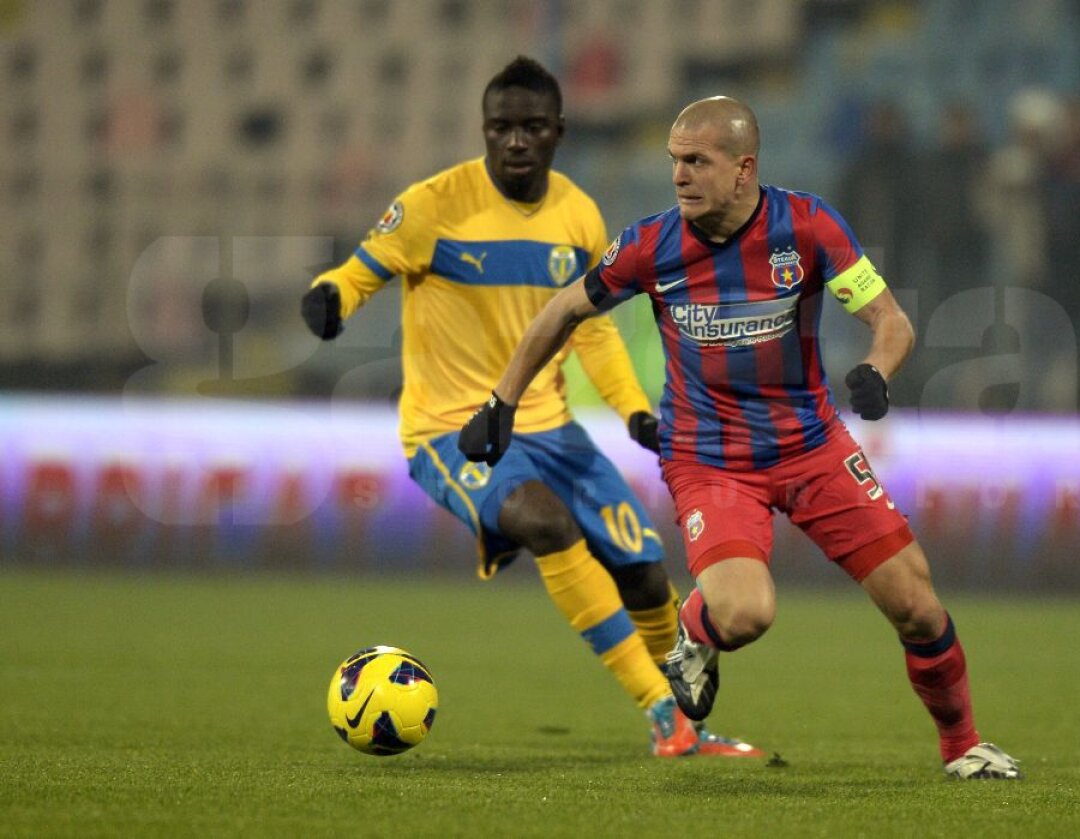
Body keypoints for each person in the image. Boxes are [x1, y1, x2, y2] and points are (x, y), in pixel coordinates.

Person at [459, 95, 1021, 780]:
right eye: (674, 161)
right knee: (748, 612)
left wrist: (877, 368)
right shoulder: (650, 244)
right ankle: (695, 634)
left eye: (697, 161)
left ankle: (962, 746)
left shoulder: (808, 225)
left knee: (918, 606)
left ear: (743, 168)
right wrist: (502, 400)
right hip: (711, 462)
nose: (680, 176)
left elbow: (891, 320)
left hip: (814, 448)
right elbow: (564, 309)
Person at [301, 58, 760, 759]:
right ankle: (660, 712)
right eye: (501, 127)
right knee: (545, 521)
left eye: (531, 127)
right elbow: (360, 271)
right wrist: (331, 299)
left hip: (552, 428)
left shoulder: (576, 214)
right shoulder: (433, 204)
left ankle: (686, 714)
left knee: (642, 566)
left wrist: (634, 410)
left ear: (558, 132)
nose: (515, 141)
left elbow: (595, 326)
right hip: (451, 433)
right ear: (484, 130)